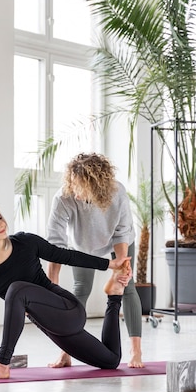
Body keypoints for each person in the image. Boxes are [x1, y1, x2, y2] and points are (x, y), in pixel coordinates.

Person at [0, 200, 131, 380]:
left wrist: (110, 264)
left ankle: (2, 363)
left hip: (68, 310)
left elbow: (65, 255)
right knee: (111, 361)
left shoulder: (25, 242)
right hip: (49, 324)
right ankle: (114, 296)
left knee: (16, 289)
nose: (1, 224)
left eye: (0, 217)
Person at [47, 153, 144, 368]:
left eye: (80, 185)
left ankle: (135, 350)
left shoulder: (116, 192)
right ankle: (66, 352)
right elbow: (56, 243)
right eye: (72, 183)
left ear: (96, 183)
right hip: (82, 246)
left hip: (118, 241)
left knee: (127, 288)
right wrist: (51, 282)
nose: (75, 190)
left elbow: (122, 231)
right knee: (81, 289)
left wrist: (121, 268)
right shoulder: (63, 198)